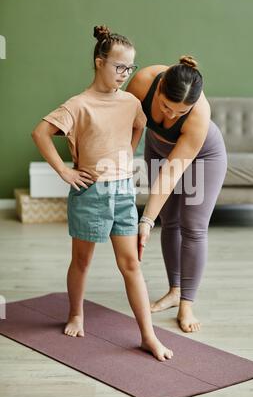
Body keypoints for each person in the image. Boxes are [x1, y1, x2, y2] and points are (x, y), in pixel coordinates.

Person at [31, 25, 173, 361]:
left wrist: (126, 157)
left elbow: (138, 126)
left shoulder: (130, 102)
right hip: (91, 193)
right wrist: (65, 171)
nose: (125, 74)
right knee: (82, 261)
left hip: (123, 192)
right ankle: (76, 313)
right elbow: (40, 133)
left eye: (130, 68)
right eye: (119, 67)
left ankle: (148, 335)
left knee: (132, 266)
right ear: (99, 62)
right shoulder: (79, 104)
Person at [127, 57, 228, 333]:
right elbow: (127, 125)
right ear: (158, 90)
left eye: (180, 113)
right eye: (166, 107)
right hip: (157, 150)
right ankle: (174, 290)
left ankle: (187, 302)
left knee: (193, 227)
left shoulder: (199, 114)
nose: (171, 116)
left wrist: (144, 220)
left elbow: (171, 174)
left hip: (203, 159)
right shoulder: (142, 82)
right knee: (168, 221)